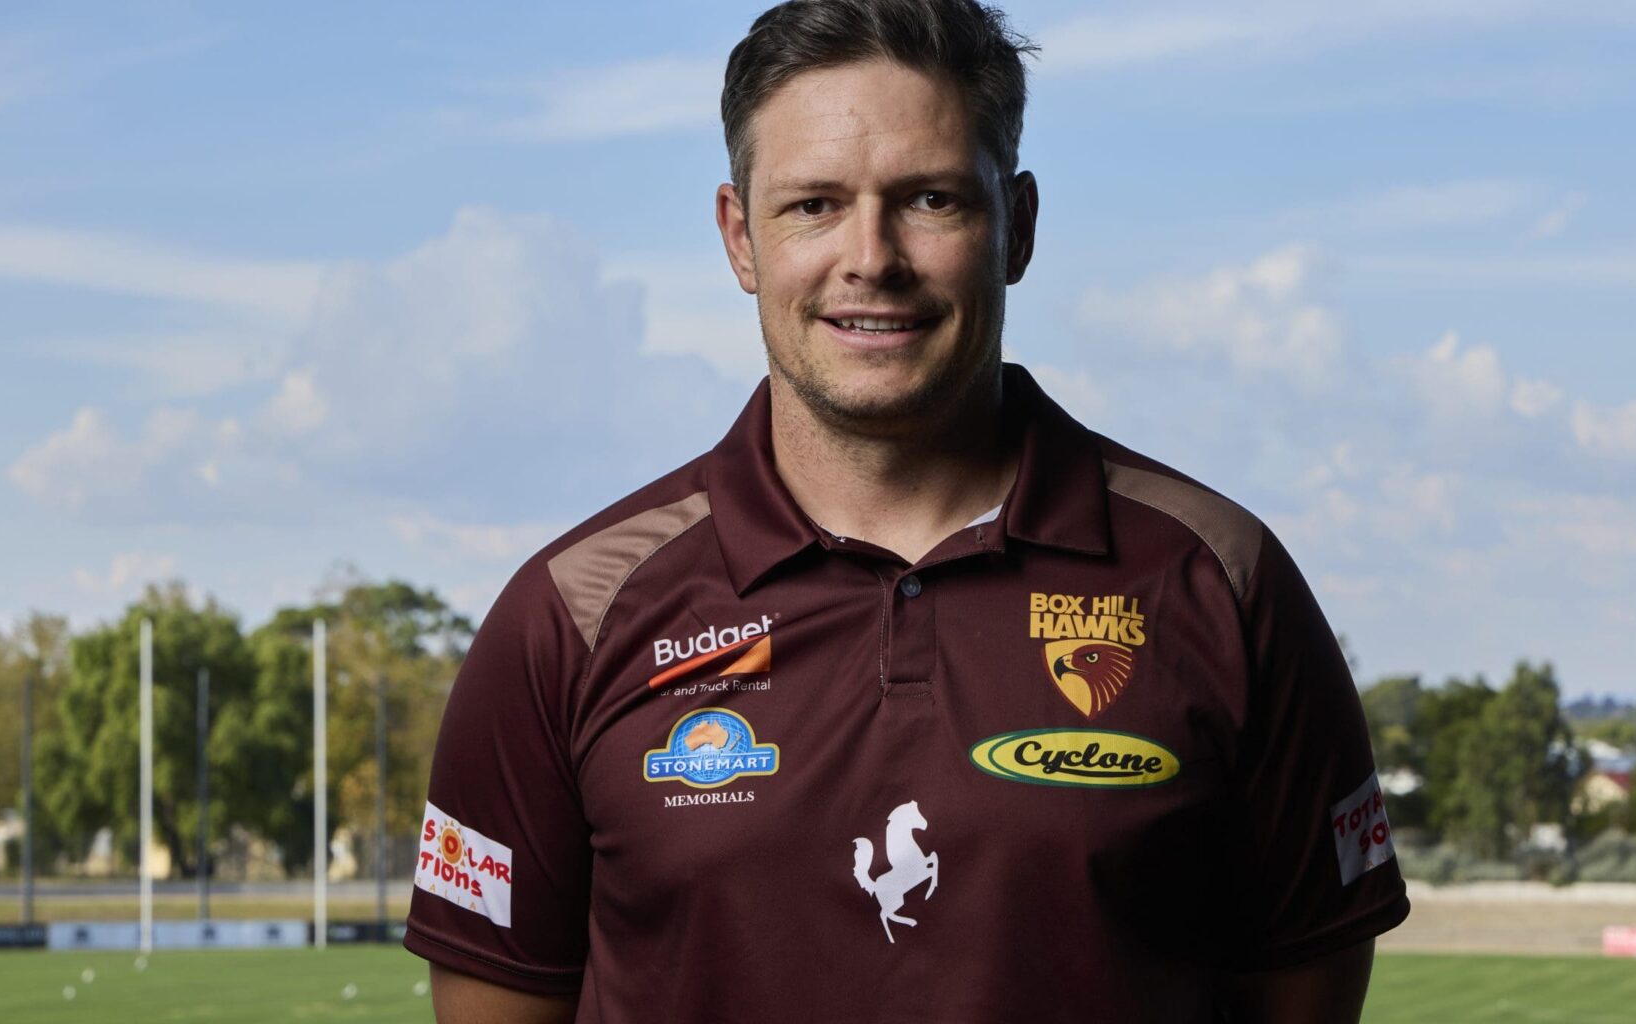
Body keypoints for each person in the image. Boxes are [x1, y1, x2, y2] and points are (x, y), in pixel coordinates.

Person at [403, 1, 1409, 1020]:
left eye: (930, 200)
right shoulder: (571, 616)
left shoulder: (1221, 579)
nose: (871, 257)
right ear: (738, 236)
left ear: (1017, 224)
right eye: (813, 206)